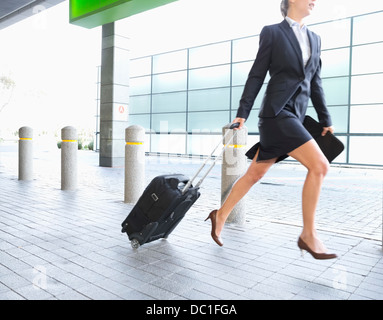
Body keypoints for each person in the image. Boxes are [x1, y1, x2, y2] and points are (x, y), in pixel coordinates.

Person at [205, 0, 337, 259]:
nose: (314, 1)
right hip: (276, 113)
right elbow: (257, 74)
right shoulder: (272, 32)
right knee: (320, 166)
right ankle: (308, 235)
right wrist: (242, 112)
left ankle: (219, 215)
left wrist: (325, 118)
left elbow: (315, 82)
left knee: (255, 174)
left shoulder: (316, 38)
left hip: (296, 118)